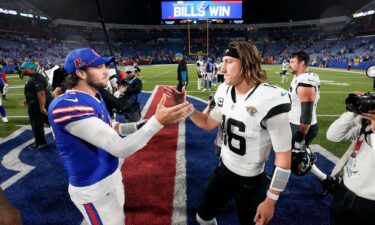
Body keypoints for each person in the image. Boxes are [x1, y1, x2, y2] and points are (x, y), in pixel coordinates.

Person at [48, 48, 192, 225]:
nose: (106, 70)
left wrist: (141, 124)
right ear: (80, 73)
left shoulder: (94, 95)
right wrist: (157, 122)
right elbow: (119, 148)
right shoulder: (67, 105)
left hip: (111, 175)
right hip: (93, 186)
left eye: (105, 65)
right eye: (98, 67)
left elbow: (112, 127)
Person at [165, 41, 292, 225]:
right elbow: (208, 123)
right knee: (203, 217)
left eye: (229, 61)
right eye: (222, 61)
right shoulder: (224, 90)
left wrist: (271, 199)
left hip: (251, 180)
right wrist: (185, 106)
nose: (222, 68)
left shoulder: (270, 98)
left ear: (246, 63)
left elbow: (283, 158)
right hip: (224, 170)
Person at [288, 51, 334, 195]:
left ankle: (327, 180)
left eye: (293, 62)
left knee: (297, 159)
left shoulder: (305, 82)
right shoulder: (305, 77)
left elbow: (306, 114)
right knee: (287, 154)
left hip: (301, 126)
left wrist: (301, 136)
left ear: (302, 63)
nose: (290, 65)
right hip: (296, 123)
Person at [326, 99, 375, 225]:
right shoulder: (367, 124)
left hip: (370, 204)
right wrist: (353, 111)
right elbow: (333, 135)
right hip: (344, 191)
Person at [19, 62, 53, 149]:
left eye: (24, 68)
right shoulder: (35, 77)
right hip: (38, 104)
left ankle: (41, 143)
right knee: (51, 122)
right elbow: (35, 92)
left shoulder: (36, 78)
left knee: (36, 124)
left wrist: (42, 107)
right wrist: (27, 99)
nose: (21, 70)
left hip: (38, 106)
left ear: (31, 69)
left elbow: (41, 93)